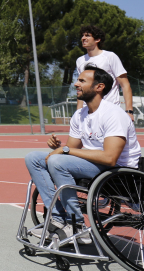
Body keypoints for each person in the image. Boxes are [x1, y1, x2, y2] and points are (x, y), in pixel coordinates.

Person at [25, 64, 141, 243]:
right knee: (33, 158)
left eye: (81, 81)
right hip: (95, 165)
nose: (75, 84)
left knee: (57, 161)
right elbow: (70, 149)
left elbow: (110, 158)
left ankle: (75, 223)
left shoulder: (113, 115)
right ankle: (57, 219)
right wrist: (58, 146)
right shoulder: (80, 115)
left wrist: (65, 150)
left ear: (99, 87)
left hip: (118, 171)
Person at [75, 24, 134, 121]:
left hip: (109, 110)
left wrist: (129, 111)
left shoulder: (110, 56)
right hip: (88, 112)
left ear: (97, 39)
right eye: (82, 35)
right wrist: (78, 112)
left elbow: (125, 85)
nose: (83, 38)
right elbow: (81, 88)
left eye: (87, 35)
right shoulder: (80, 61)